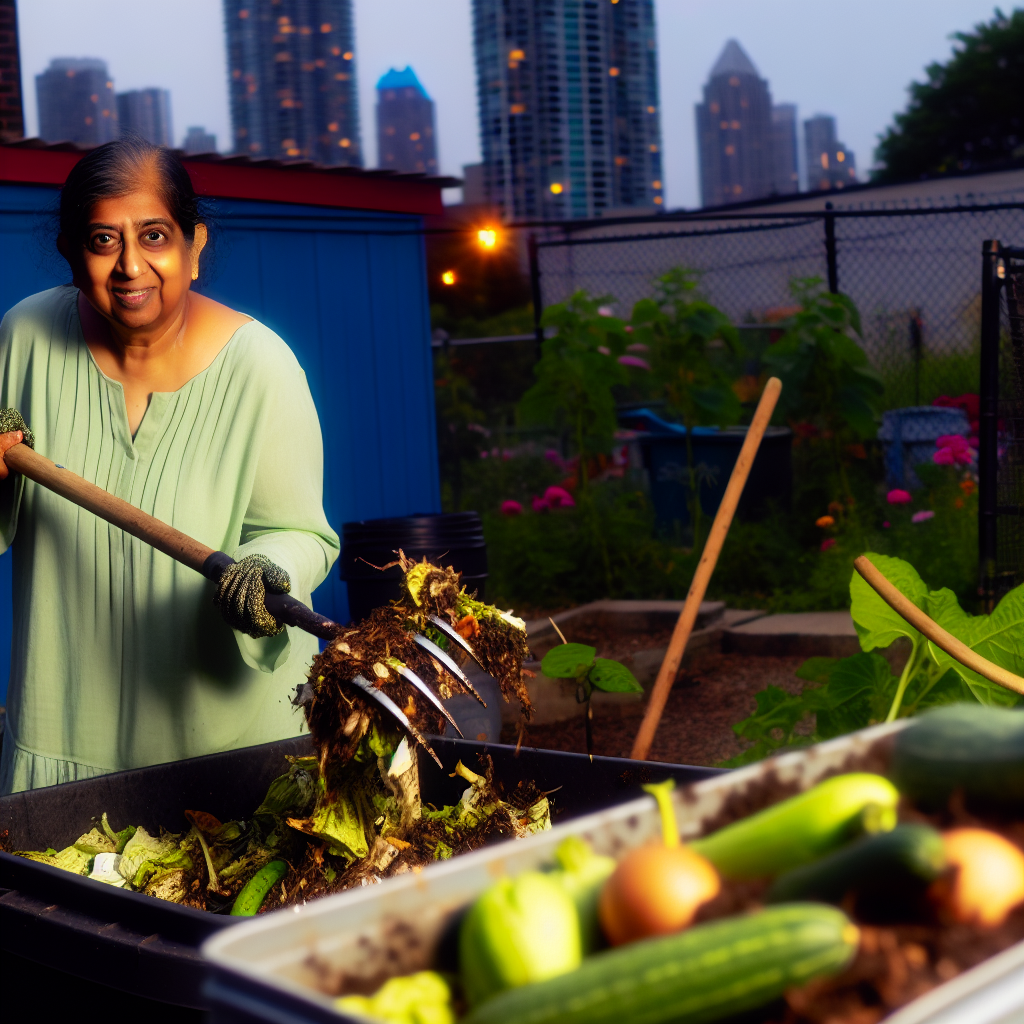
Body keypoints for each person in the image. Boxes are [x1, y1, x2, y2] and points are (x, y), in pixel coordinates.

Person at [0, 136, 339, 794]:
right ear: (71, 251)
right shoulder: (23, 339)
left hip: (235, 753)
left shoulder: (262, 369)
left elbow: (303, 533)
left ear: (194, 243)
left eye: (154, 236)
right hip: (64, 743)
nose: (131, 266)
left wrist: (271, 572)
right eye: (103, 241)